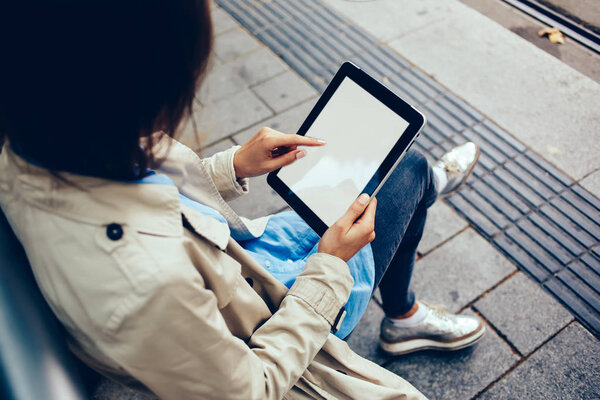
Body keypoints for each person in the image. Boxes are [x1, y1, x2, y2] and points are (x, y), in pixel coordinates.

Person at [0, 1, 483, 399]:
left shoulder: (40, 143)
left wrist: (233, 166)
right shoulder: (147, 288)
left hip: (238, 261)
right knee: (411, 172)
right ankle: (403, 312)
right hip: (282, 319)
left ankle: (414, 250)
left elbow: (147, 197)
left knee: (393, 180)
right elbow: (252, 389)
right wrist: (329, 266)